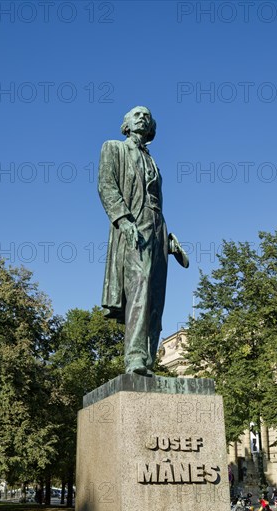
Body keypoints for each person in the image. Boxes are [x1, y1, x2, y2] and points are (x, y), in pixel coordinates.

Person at [98, 106, 188, 376]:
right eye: (136, 114)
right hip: (133, 225)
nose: (142, 117)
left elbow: (157, 202)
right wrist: (123, 220)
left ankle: (149, 360)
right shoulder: (113, 148)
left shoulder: (153, 161)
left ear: (151, 128)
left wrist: (168, 236)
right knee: (140, 285)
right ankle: (134, 357)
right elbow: (106, 185)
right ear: (125, 123)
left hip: (158, 228)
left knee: (156, 296)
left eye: (146, 115)